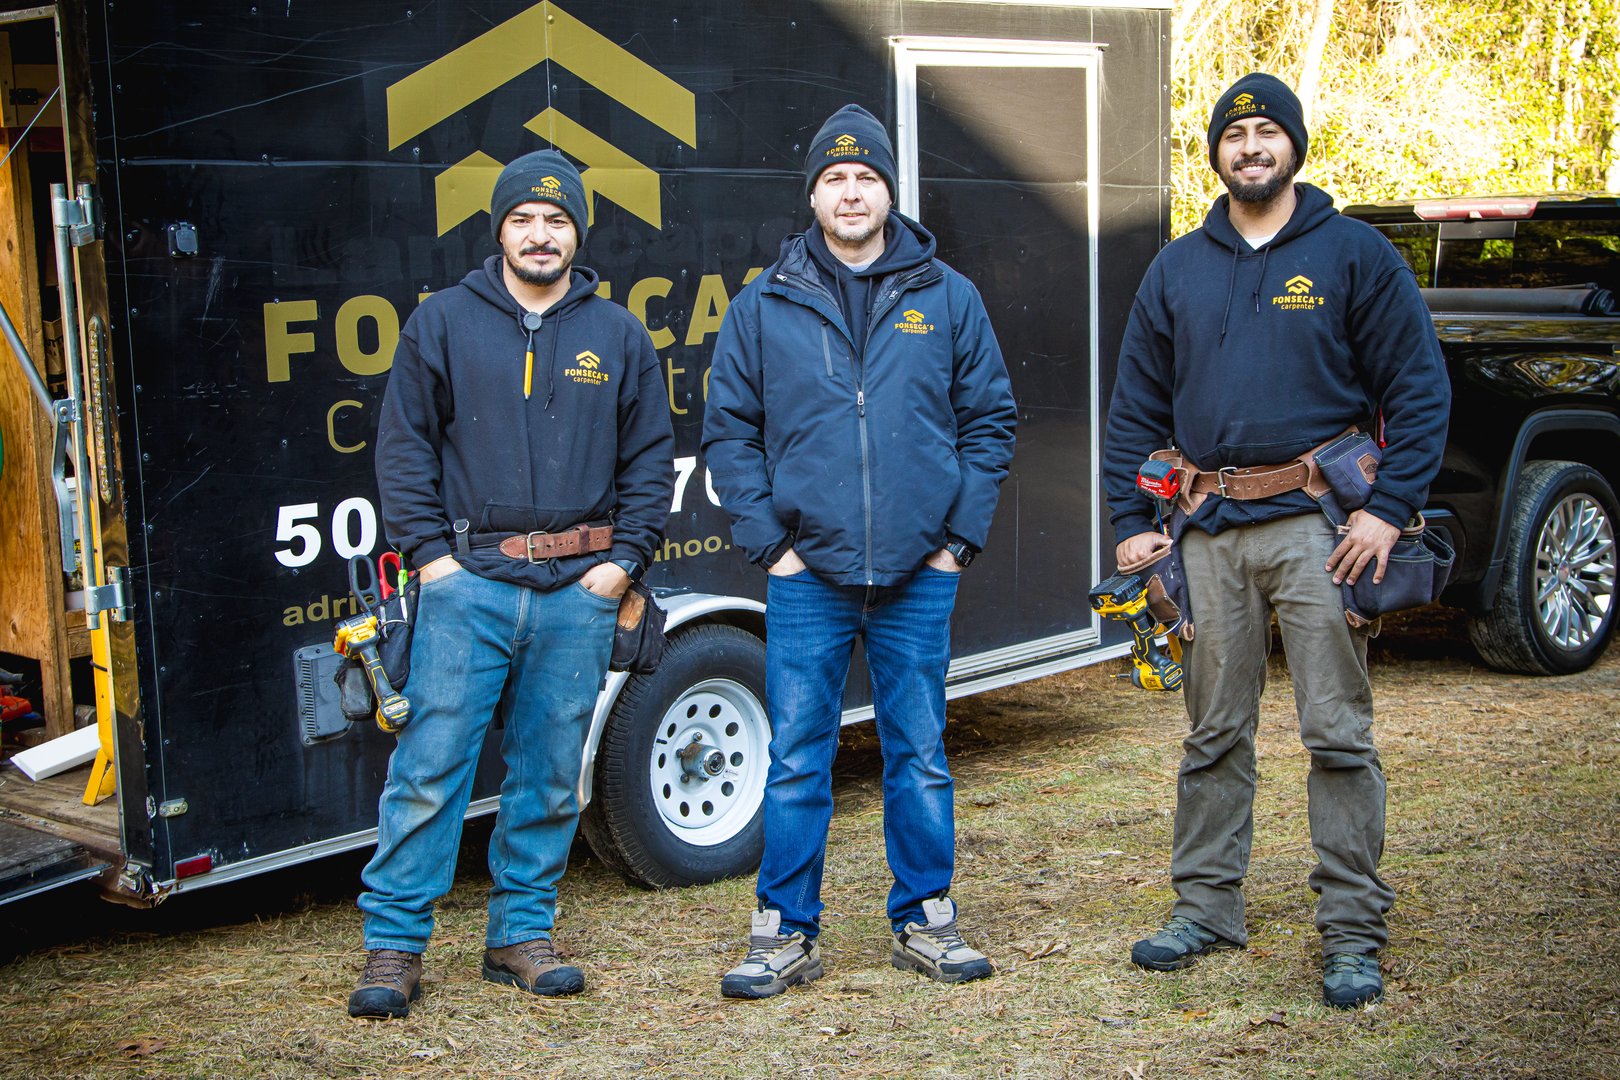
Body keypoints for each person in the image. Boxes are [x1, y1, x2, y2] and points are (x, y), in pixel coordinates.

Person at [1102, 73, 1449, 1009]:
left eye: (1266, 132)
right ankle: (1208, 908)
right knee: (1213, 733)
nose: (1251, 146)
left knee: (1337, 733)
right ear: (1213, 152)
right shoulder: (1176, 267)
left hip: (1319, 530)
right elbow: (1135, 404)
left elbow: (1419, 388)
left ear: (1294, 145)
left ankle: (1351, 931)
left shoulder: (1354, 255)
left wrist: (1388, 508)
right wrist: (1133, 521)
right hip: (1207, 530)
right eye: (1235, 134)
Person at [348, 150, 674, 1019]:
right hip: (469, 586)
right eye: (524, 219)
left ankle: (520, 936)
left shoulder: (618, 335)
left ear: (578, 233)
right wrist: (432, 560)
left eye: (557, 219)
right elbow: (405, 448)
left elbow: (651, 460)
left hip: (579, 592)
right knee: (428, 769)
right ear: (499, 229)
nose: (540, 234)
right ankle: (394, 947)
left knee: (549, 771)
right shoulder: (444, 323)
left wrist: (620, 565)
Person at [702, 103, 1018, 999]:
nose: (851, 192)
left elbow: (989, 421)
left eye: (866, 177)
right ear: (813, 195)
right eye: (834, 179)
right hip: (809, 576)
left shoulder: (947, 296)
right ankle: (783, 932)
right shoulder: (764, 305)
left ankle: (924, 920)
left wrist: (958, 540)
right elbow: (731, 433)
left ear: (889, 190)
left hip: (920, 574)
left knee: (918, 750)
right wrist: (771, 546)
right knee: (799, 754)